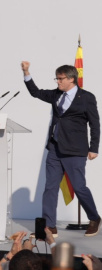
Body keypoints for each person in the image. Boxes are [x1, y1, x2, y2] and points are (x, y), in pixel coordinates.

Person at [21, 61, 101, 237]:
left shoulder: (87, 97)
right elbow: (36, 92)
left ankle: (94, 218)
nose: (57, 82)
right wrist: (26, 72)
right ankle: (50, 226)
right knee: (50, 188)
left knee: (79, 187)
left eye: (60, 78)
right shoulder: (56, 94)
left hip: (75, 150)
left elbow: (95, 124)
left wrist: (94, 147)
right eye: (56, 78)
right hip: (55, 149)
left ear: (71, 79)